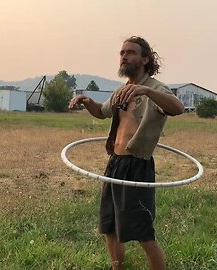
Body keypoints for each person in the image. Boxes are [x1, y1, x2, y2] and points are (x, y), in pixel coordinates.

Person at [69, 36, 184, 270]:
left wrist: (145, 91)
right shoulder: (122, 91)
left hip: (137, 166)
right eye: (122, 52)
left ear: (145, 59)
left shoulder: (155, 89)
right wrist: (86, 100)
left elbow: (177, 108)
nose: (124, 56)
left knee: (143, 233)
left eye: (130, 52)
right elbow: (102, 112)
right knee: (109, 227)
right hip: (115, 164)